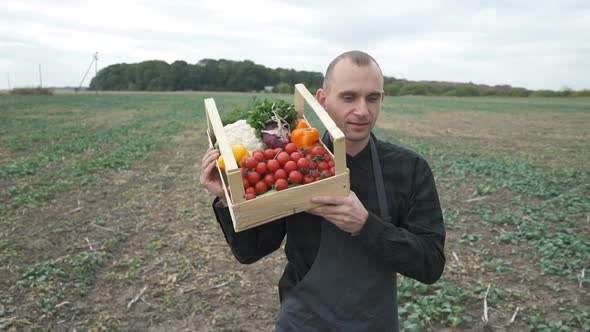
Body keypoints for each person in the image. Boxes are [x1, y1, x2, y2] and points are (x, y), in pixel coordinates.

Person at [200, 50, 445, 331]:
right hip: (303, 323)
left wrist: (366, 225)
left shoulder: (409, 169)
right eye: (349, 97)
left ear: (382, 99)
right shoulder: (295, 162)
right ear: (323, 100)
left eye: (372, 98)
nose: (362, 111)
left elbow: (431, 264)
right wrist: (225, 197)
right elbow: (251, 251)